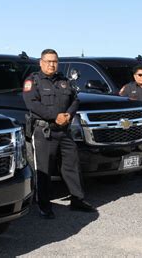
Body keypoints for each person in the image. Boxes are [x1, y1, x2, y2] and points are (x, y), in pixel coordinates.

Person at [23, 49, 96, 219]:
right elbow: (32, 104)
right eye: (48, 61)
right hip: (44, 131)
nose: (51, 64)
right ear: (40, 62)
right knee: (44, 169)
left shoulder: (64, 81)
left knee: (72, 164)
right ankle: (44, 205)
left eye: (55, 61)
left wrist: (68, 115)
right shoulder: (33, 81)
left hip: (64, 130)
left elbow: (75, 100)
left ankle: (77, 200)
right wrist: (54, 116)